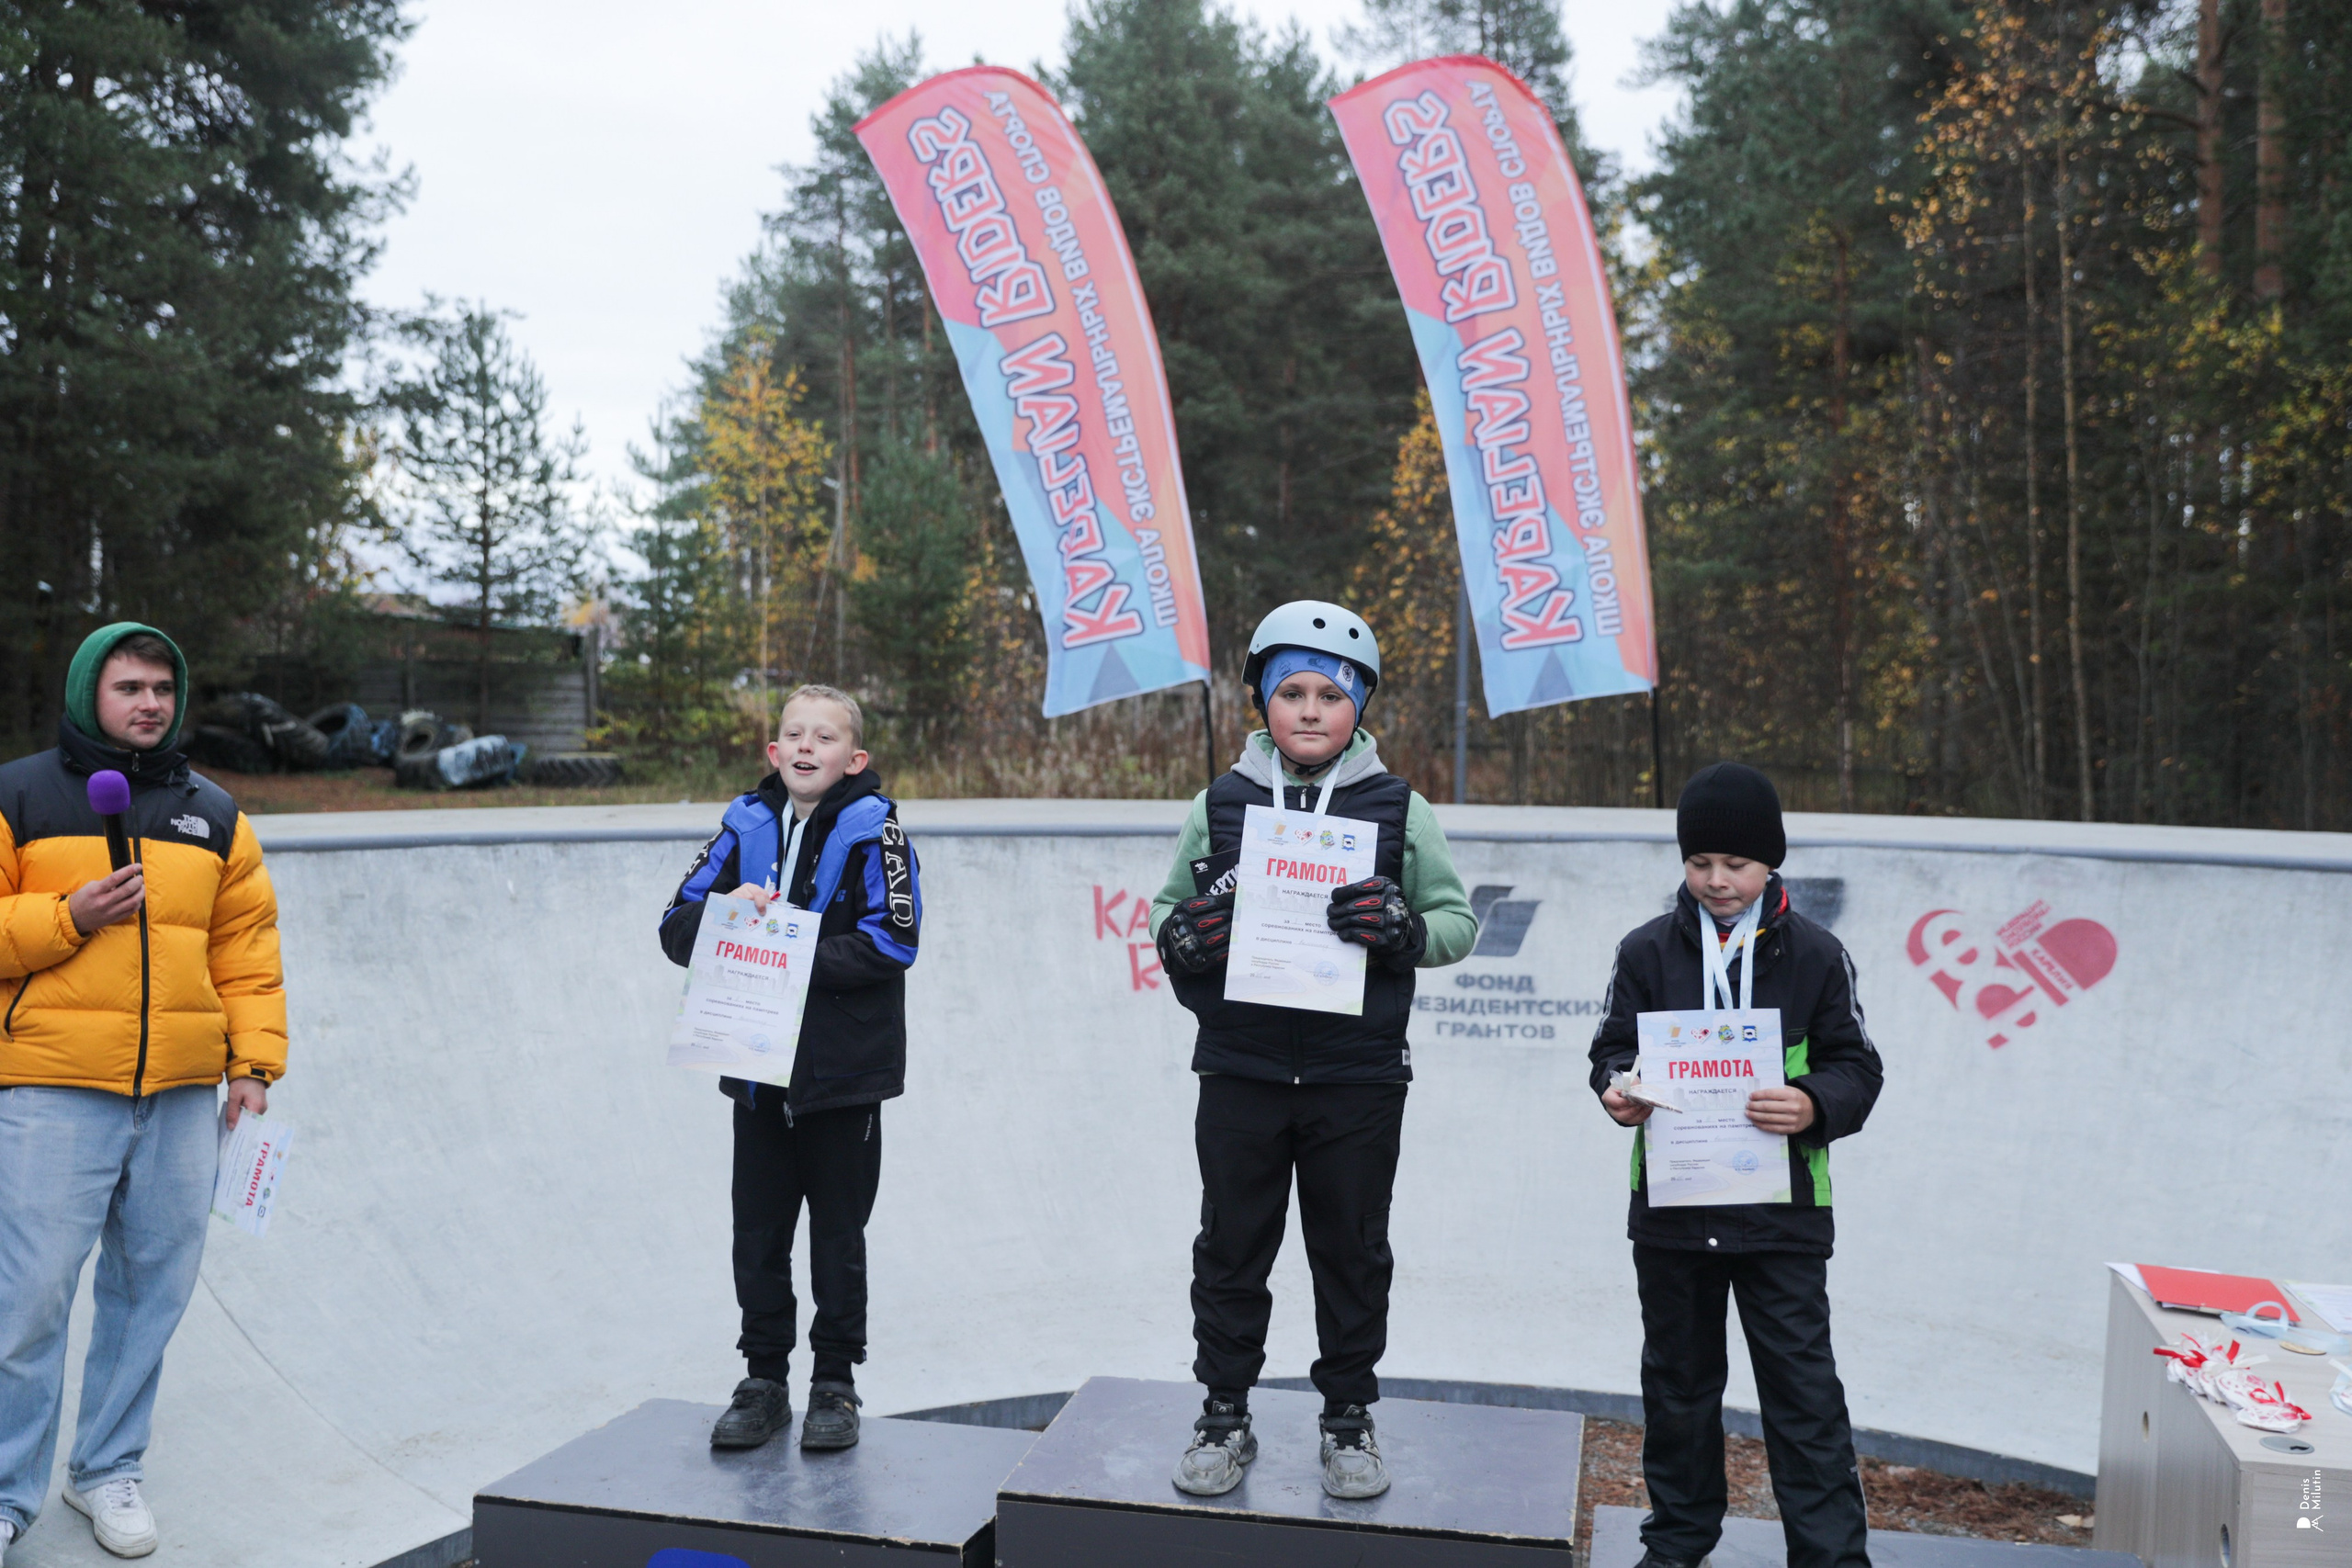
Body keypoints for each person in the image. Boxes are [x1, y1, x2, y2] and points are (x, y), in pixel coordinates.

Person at [1149, 602, 1477, 1501]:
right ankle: (1223, 1412)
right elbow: (1162, 911)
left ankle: (1347, 1416)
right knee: (1230, 1246)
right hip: (1242, 1071)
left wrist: (1402, 926)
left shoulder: (1396, 808)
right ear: (1259, 699)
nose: (1307, 709)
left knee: (1351, 1249)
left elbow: (1457, 923)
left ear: (1358, 707)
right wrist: (1185, 933)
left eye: (1329, 694)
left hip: (1355, 1077)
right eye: (1288, 690)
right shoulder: (1218, 804)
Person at [0, 625, 287, 1563]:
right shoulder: (21, 793)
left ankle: (106, 1469)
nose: (151, 702)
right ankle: (7, 1494)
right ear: (92, 693)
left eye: (164, 686)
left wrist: (252, 1064)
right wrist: (65, 918)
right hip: (52, 1085)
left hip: (178, 1094)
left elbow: (246, 950)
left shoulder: (214, 812)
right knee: (32, 1297)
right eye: (130, 686)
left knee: (150, 1289)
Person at [1589, 762, 1883, 1568]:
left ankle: (1831, 1556)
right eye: (1699, 863)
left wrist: (1814, 1103)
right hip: (1675, 1214)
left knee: (1804, 1396)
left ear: (1771, 863)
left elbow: (1859, 1067)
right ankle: (1679, 1541)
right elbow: (1611, 1051)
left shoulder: (1818, 955)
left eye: (1736, 864)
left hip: (1781, 1218)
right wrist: (1619, 1090)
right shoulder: (1645, 950)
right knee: (1678, 1390)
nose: (1717, 881)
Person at [658, 684, 920, 1454]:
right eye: (794, 735)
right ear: (774, 752)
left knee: (838, 1235)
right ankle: (763, 1378)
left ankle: (834, 1381)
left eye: (826, 738)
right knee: (759, 1233)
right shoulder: (741, 825)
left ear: (854, 758)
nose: (808, 748)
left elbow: (895, 939)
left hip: (844, 1077)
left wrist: (789, 943)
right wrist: (728, 917)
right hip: (753, 1071)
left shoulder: (880, 829)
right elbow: (675, 928)